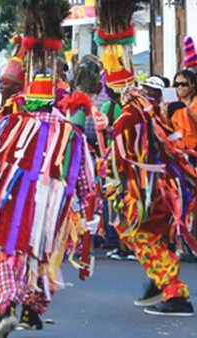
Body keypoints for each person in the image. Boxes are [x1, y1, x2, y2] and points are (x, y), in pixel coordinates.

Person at [0, 3, 97, 336]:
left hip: (14, 200)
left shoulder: (12, 123)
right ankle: (31, 308)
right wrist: (87, 213)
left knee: (8, 254)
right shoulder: (70, 130)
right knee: (43, 257)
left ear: (26, 94)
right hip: (54, 208)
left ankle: (8, 306)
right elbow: (85, 178)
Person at [97, 0, 195, 317]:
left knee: (144, 238)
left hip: (147, 192)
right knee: (155, 240)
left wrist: (107, 174)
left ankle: (174, 294)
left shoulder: (127, 117)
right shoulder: (145, 108)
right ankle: (158, 284)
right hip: (162, 188)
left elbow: (124, 159)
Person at [169, 70, 197, 150]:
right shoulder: (172, 103)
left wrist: (188, 111)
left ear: (193, 85)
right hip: (178, 149)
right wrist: (165, 113)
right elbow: (166, 127)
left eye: (184, 84)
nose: (180, 87)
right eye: (176, 84)